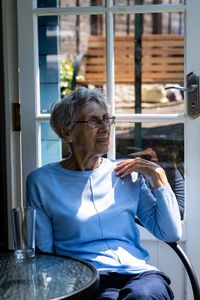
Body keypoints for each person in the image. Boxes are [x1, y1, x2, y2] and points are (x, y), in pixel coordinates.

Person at [26, 87, 182, 300]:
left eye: (107, 119)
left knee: (143, 297)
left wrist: (159, 178)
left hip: (139, 275)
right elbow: (45, 254)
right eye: (93, 121)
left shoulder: (126, 173)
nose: (105, 127)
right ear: (66, 132)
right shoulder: (42, 181)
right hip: (85, 278)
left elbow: (170, 233)